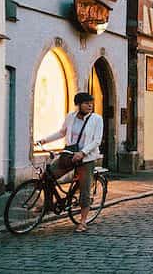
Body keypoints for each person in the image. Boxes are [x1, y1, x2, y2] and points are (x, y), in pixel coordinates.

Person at [37, 92, 103, 232]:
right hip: (69, 155)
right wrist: (44, 140)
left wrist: (83, 153)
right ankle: (48, 205)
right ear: (78, 105)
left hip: (86, 159)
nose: (90, 105)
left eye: (91, 102)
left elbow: (97, 140)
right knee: (47, 176)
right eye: (86, 103)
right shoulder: (71, 117)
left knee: (84, 189)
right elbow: (62, 132)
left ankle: (83, 221)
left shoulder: (96, 119)